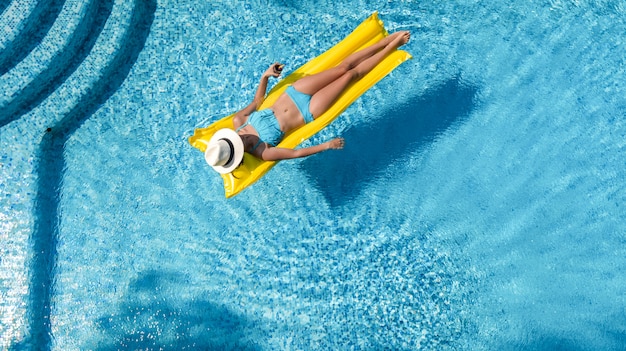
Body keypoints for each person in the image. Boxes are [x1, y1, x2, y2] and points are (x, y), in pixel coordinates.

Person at [205, 31, 410, 174]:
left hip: (295, 92)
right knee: (350, 76)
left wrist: (265, 76)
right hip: (307, 111)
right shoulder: (262, 152)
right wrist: (326, 145)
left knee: (342, 68)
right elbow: (296, 153)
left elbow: (258, 101)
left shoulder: (238, 121)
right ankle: (392, 47)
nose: (236, 138)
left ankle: (383, 42)